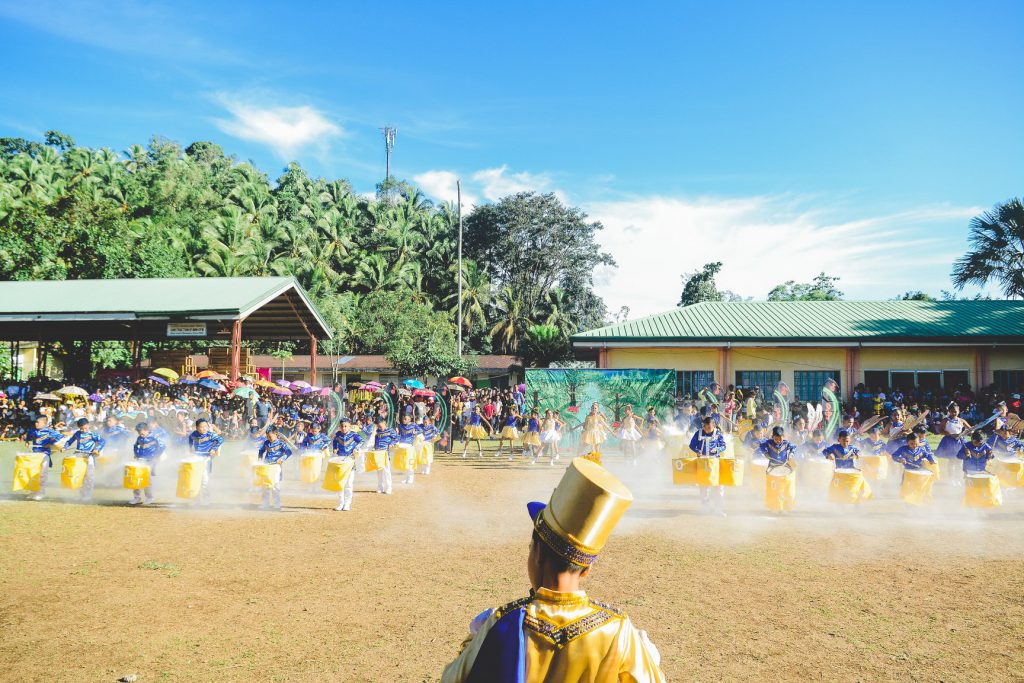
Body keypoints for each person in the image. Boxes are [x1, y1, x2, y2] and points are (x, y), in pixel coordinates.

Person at [439, 458, 665, 682]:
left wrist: (473, 642)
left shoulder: (503, 622)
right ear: (587, 569)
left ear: (536, 554)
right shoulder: (619, 631)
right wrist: (649, 659)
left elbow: (452, 679)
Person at [689, 416, 727, 516]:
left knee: (718, 485)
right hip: (702, 462)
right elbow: (692, 445)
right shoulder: (699, 433)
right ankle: (705, 507)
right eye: (705, 427)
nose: (707, 429)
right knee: (703, 485)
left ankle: (718, 508)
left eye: (709, 427)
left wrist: (717, 450)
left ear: (713, 426)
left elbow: (724, 446)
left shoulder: (718, 433)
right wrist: (697, 451)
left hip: (714, 462)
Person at [22, 415, 65, 501]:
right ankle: (33, 492)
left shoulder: (49, 431)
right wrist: (27, 441)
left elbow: (60, 436)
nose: (36, 423)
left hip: (44, 454)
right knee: (33, 473)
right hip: (35, 454)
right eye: (36, 422)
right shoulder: (33, 430)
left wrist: (50, 443)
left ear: (45, 423)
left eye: (38, 422)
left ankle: (41, 492)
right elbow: (28, 436)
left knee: (42, 473)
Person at [63, 417, 106, 503]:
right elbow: (69, 441)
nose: (83, 430)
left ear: (88, 425)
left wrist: (97, 449)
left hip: (89, 456)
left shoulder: (93, 434)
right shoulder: (77, 434)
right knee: (79, 475)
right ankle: (80, 494)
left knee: (89, 476)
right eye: (81, 429)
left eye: (85, 428)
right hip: (79, 456)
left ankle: (87, 495)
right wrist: (65, 447)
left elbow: (102, 441)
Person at [187, 418, 224, 504]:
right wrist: (190, 449)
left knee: (205, 480)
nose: (204, 428)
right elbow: (190, 441)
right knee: (196, 479)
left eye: (205, 427)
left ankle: (207, 497)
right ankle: (197, 499)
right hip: (197, 459)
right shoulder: (193, 435)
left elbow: (220, 440)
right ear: (197, 428)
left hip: (206, 459)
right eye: (201, 427)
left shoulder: (210, 434)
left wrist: (213, 449)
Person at [331, 418, 364, 511]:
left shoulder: (353, 434)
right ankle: (341, 503)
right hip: (340, 460)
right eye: (342, 426)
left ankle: (347, 503)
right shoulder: (338, 434)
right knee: (340, 482)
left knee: (349, 483)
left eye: (346, 426)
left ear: (350, 426)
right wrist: (334, 448)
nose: (344, 428)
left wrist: (356, 448)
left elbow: (361, 441)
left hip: (350, 460)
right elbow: (334, 441)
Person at [257, 427, 293, 511]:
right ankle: (265, 503)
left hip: (276, 466)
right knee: (265, 485)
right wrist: (259, 458)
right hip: (267, 466)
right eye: (267, 436)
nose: (269, 438)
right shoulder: (266, 443)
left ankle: (277, 504)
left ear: (275, 434)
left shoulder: (281, 443)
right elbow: (261, 451)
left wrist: (282, 458)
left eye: (270, 436)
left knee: (275, 485)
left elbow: (289, 452)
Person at [130, 422, 165, 505]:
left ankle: (149, 497)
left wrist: (156, 455)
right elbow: (135, 446)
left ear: (146, 430)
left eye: (141, 432)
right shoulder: (139, 438)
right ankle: (137, 498)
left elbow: (163, 446)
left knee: (146, 479)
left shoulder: (154, 437)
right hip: (140, 460)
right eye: (138, 432)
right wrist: (136, 454)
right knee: (136, 478)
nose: (140, 434)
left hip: (150, 461)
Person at [373, 416, 397, 494]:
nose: (380, 427)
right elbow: (376, 439)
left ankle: (389, 487)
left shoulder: (390, 430)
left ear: (384, 423)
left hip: (386, 453)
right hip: (378, 453)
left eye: (381, 426)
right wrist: (375, 447)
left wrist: (392, 443)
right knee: (379, 471)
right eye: (378, 426)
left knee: (387, 471)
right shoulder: (377, 431)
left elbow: (396, 438)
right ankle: (380, 487)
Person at [396, 414, 421, 485]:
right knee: (404, 463)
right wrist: (397, 433)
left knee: (410, 463)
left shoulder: (413, 425)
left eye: (405, 419)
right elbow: (399, 435)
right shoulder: (400, 426)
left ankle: (410, 478)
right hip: (402, 446)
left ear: (409, 419)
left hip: (410, 446)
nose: (404, 420)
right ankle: (404, 478)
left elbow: (420, 430)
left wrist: (415, 432)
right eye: (403, 418)